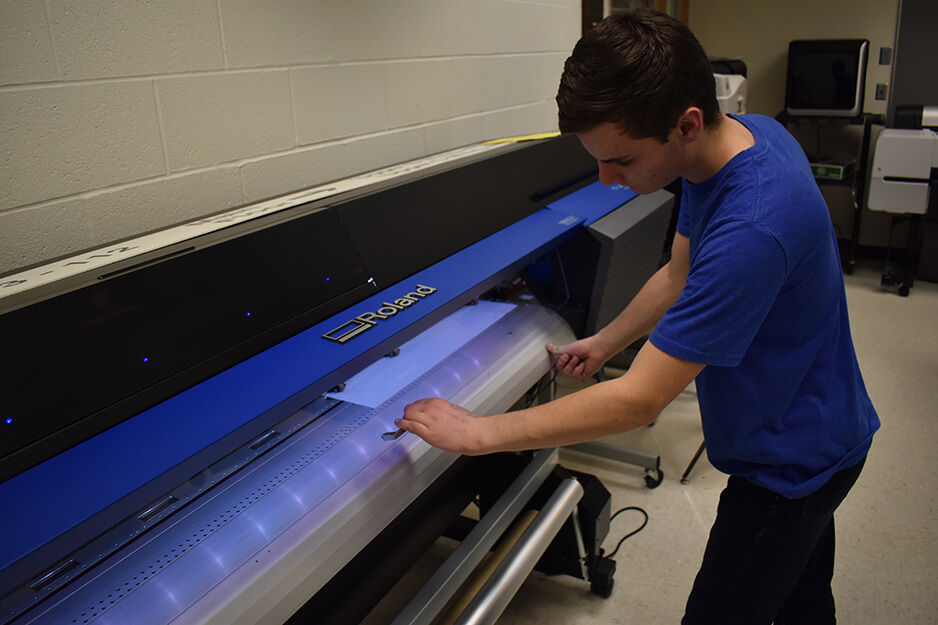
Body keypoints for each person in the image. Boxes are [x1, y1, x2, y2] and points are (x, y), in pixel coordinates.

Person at [395, 8, 879, 624]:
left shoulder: (754, 226)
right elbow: (679, 274)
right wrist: (604, 341)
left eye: (620, 160)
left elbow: (639, 402)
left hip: (788, 464)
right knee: (803, 604)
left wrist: (480, 434)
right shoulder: (743, 141)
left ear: (686, 123)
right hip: (822, 427)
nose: (606, 178)